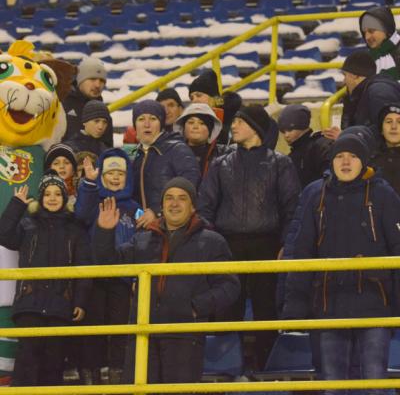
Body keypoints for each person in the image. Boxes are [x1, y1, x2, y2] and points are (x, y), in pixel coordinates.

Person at [282, 132, 400, 395]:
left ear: (364, 161)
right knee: (333, 385)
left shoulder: (383, 194)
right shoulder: (316, 195)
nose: (345, 162)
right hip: (329, 305)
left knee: (375, 385)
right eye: (340, 156)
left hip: (375, 305)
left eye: (353, 156)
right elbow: (302, 252)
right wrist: (294, 307)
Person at [93, 177, 240, 385]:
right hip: (143, 334)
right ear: (161, 206)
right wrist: (104, 231)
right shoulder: (143, 239)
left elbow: (229, 286)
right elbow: (107, 263)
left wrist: (195, 307)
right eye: (169, 198)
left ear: (193, 207)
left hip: (184, 336)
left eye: (182, 198)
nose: (174, 203)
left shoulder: (212, 242)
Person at [198, 104, 301, 370]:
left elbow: (292, 208)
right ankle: (225, 369)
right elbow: (205, 206)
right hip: (227, 245)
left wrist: (285, 244)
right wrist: (213, 244)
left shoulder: (280, 163)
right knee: (226, 308)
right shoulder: (220, 164)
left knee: (267, 309)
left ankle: (268, 369)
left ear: (256, 128)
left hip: (268, 245)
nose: (233, 126)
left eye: (240, 122)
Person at [0, 171, 91, 387]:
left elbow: (83, 267)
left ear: (65, 198)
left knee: (53, 362)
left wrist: (80, 301)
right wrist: (16, 205)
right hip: (29, 304)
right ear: (41, 198)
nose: (52, 198)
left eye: (57, 194)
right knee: (27, 360)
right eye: (47, 194)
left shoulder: (75, 229)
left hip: (60, 305)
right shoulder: (27, 224)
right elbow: (4, 235)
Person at [74, 147, 140, 385]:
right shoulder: (94, 202)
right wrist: (89, 184)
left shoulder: (134, 208)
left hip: (123, 278)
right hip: (95, 276)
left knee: (120, 327)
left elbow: (142, 241)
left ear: (128, 177)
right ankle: (91, 371)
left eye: (120, 174)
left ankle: (117, 371)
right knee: (94, 327)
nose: (115, 178)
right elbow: (81, 214)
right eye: (110, 173)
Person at [131, 99, 200, 230]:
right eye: (141, 119)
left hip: (173, 228)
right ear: (135, 125)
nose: (147, 124)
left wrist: (157, 211)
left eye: (153, 119)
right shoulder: (135, 155)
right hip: (143, 229)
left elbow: (190, 186)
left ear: (161, 124)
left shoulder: (177, 149)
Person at [340, 49, 400, 137]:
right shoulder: (360, 93)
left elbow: (387, 135)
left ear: (354, 75)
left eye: (345, 75)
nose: (343, 82)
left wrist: (347, 136)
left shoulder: (379, 92)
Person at [62, 57, 113, 147]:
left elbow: (107, 146)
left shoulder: (103, 111)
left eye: (102, 81)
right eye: (92, 79)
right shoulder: (61, 103)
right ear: (80, 80)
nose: (97, 85)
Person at [278, 104, 332, 188]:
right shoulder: (293, 155)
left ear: (302, 126)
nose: (286, 135)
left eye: (290, 130)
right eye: (283, 131)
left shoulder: (320, 146)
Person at [174, 103, 231, 178]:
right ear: (183, 128)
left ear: (210, 130)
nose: (195, 127)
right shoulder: (172, 153)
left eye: (202, 123)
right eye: (191, 122)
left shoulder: (224, 154)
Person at [188, 69, 242, 144]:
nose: (194, 101)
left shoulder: (235, 119)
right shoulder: (188, 122)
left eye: (199, 95)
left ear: (214, 98)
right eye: (191, 98)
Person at [359, 5, 400, 80]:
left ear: (386, 30)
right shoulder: (368, 58)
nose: (367, 37)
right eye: (364, 33)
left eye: (371, 31)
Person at [371, 103, 400, 195]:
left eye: (399, 122)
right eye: (389, 122)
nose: (394, 127)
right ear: (381, 130)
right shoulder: (370, 160)